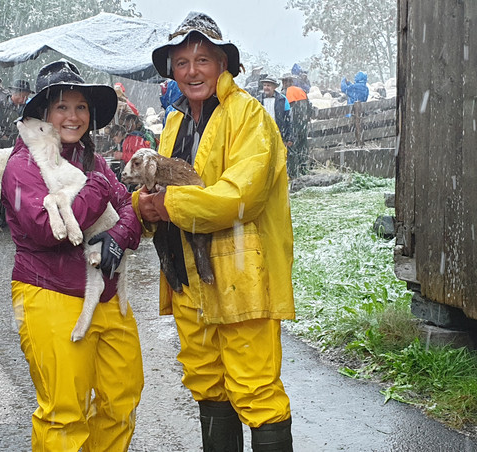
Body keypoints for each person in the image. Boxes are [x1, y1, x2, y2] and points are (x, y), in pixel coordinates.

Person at [141, 12, 295, 451]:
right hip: (187, 277)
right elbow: (160, 186)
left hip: (240, 276)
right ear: (172, 70)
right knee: (207, 383)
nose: (192, 71)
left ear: (223, 64)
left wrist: (169, 206)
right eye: (182, 62)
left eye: (203, 60)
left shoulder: (248, 115)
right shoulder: (174, 122)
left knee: (256, 389)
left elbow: (241, 196)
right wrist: (143, 206)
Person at [0, 59, 143, 451]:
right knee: (64, 413)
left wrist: (118, 236)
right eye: (62, 107)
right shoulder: (22, 166)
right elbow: (47, 231)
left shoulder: (92, 161)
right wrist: (98, 188)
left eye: (81, 107)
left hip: (106, 297)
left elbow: (130, 208)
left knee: (121, 401)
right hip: (50, 293)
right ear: (43, 115)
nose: (73, 116)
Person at [282, 75, 311, 179]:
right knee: (303, 146)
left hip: (292, 125)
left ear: (284, 83)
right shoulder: (301, 91)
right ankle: (304, 169)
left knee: (292, 149)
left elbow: (283, 111)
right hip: (303, 124)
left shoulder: (284, 93)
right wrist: (306, 119)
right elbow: (309, 107)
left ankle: (294, 173)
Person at [255, 76, 295, 149]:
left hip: (279, 134)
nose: (266, 87)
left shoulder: (282, 99)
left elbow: (288, 119)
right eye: (264, 85)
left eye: (268, 85)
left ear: (274, 87)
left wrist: (289, 137)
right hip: (263, 134)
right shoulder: (258, 100)